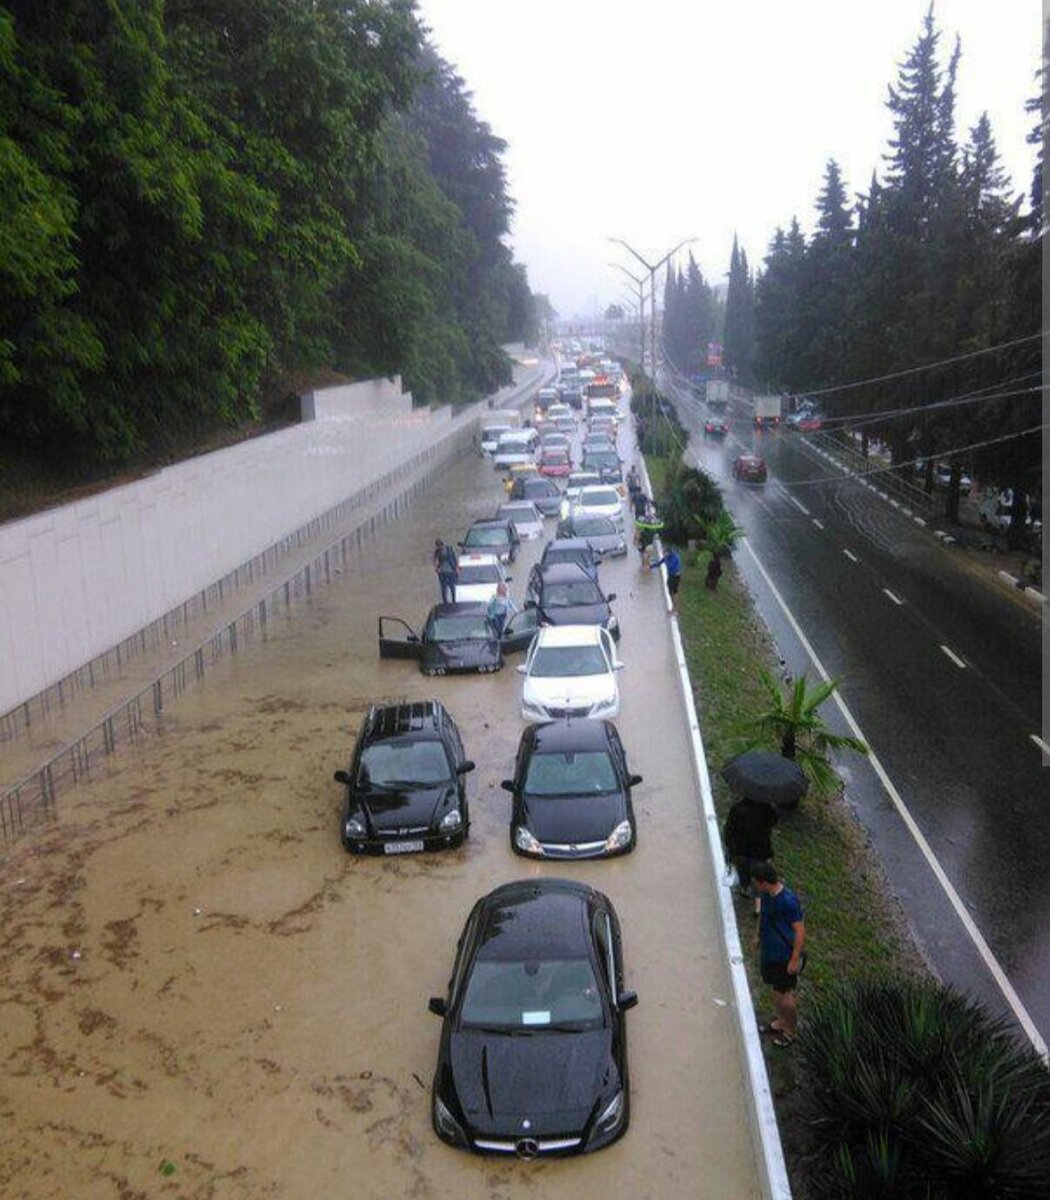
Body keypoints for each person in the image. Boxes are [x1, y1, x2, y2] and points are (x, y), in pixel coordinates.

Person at [751, 862, 805, 1047]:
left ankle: (790, 1030)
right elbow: (764, 916)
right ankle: (781, 1021)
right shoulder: (766, 895)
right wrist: (758, 935)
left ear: (764, 882)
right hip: (769, 953)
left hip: (784, 956)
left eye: (756, 883)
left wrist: (794, 959)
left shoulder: (788, 901)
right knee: (776, 990)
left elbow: (799, 930)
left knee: (785, 994)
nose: (755, 887)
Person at [722, 796, 779, 915]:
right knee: (759, 875)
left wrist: (729, 845)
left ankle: (745, 888)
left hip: (740, 850)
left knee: (743, 870)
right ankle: (758, 905)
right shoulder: (767, 809)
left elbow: (729, 829)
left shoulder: (737, 808)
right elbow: (773, 822)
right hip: (759, 851)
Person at [649, 545, 683, 614]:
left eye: (665, 553)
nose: (664, 554)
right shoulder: (666, 557)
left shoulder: (676, 557)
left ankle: (675, 609)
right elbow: (659, 563)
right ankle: (674, 607)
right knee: (671, 592)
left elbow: (674, 567)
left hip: (675, 576)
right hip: (670, 576)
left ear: (669, 552)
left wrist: (667, 562)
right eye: (664, 553)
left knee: (674, 592)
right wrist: (650, 566)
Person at [433, 538, 458, 604]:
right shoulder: (437, 551)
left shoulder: (449, 549)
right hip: (442, 571)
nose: (439, 548)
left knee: (452, 586)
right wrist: (436, 568)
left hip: (450, 570)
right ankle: (445, 602)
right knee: (443, 587)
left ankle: (453, 600)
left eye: (440, 546)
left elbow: (453, 558)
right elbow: (435, 560)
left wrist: (456, 568)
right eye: (438, 546)